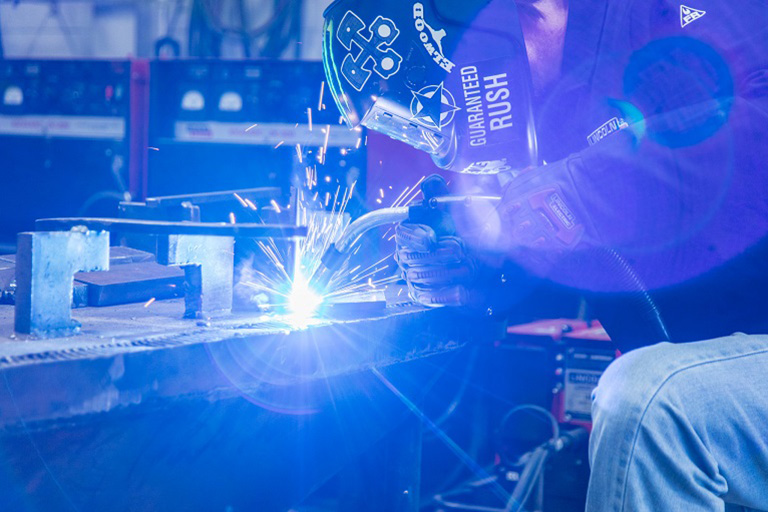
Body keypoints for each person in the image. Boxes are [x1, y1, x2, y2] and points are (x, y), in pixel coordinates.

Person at [321, 0, 768, 510]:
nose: (453, 140)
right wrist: (493, 272)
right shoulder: (553, 125)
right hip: (732, 389)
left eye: (444, 104)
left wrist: (583, 190)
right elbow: (641, 261)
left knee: (651, 407)